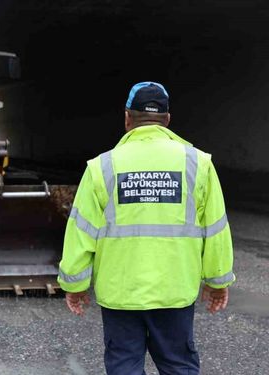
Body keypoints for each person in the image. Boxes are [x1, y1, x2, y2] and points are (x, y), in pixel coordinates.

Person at [57, 82, 234, 375]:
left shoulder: (102, 167)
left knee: (123, 367)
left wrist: (74, 286)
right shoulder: (198, 164)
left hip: (121, 293)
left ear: (127, 117)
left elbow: (80, 232)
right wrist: (217, 282)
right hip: (174, 291)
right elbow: (215, 230)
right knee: (179, 366)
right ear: (167, 120)